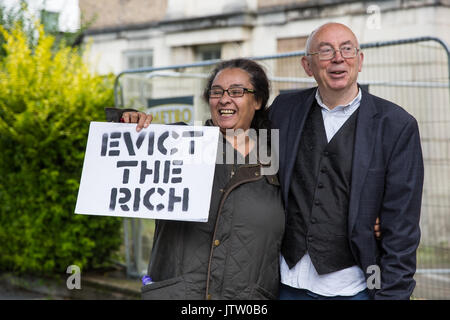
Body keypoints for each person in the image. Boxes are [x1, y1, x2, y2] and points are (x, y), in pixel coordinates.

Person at [269, 22, 424, 300]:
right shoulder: (283, 111)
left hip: (355, 287)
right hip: (285, 283)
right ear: (307, 66)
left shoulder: (396, 126)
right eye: (326, 51)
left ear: (360, 60)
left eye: (347, 49)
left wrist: (392, 294)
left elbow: (402, 227)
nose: (338, 58)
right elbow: (239, 147)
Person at [112, 58, 285, 299]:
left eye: (236, 91)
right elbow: (118, 159)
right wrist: (126, 123)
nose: (224, 99)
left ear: (257, 100)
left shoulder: (279, 158)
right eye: (216, 92)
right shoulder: (181, 143)